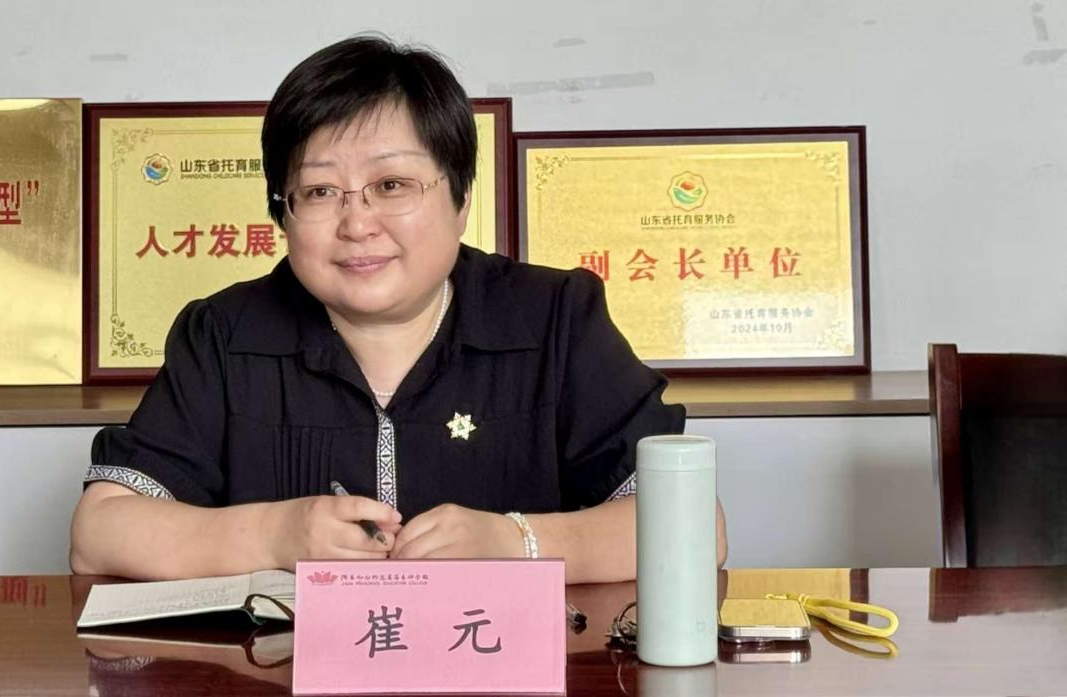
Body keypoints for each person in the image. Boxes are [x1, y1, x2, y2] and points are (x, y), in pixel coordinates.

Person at [70, 35, 727, 584]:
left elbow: (696, 524)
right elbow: (98, 534)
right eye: (320, 191)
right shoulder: (223, 333)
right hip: (281, 676)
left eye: (391, 184)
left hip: (507, 672)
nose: (357, 223)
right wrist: (274, 535)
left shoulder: (556, 318)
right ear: (283, 213)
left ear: (461, 198)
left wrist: (516, 543)